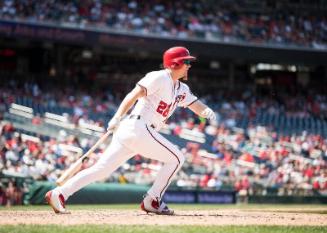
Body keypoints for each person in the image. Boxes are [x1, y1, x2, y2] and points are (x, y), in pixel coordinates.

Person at [45, 46, 216, 215]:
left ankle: (59, 193)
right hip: (138, 127)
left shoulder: (181, 89)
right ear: (174, 64)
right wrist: (117, 116)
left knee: (101, 170)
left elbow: (196, 105)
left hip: (137, 132)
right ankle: (152, 200)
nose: (189, 65)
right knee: (177, 158)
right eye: (186, 62)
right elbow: (133, 95)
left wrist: (206, 111)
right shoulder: (159, 77)